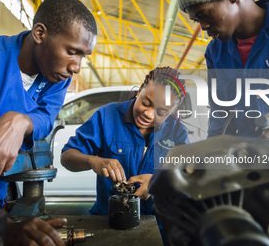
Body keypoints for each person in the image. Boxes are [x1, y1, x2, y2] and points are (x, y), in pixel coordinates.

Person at [0, 0, 96, 245]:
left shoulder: (56, 74)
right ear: (39, 33)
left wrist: (19, 122)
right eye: (72, 52)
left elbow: (47, 115)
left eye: (83, 56)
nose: (76, 67)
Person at [177, 0, 269, 146]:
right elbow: (220, 118)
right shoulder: (215, 52)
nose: (203, 26)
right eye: (197, 20)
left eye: (204, 14)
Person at [61, 66, 190, 216]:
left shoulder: (177, 132)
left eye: (161, 112)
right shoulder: (106, 116)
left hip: (158, 225)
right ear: (139, 91)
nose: (148, 114)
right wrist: (93, 160)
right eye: (146, 103)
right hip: (108, 220)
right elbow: (67, 157)